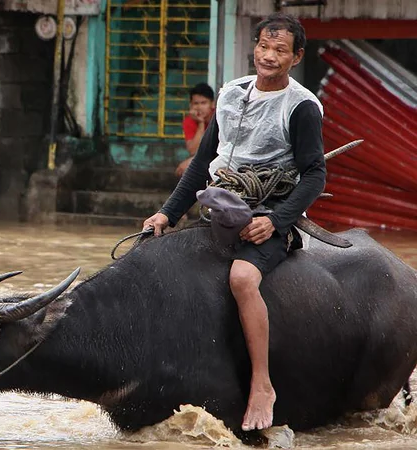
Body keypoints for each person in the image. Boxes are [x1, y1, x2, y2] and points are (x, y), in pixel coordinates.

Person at [142, 13, 326, 431]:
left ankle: (262, 384)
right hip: (221, 207)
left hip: (269, 212)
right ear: (255, 47)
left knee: (243, 278)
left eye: (280, 50)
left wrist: (277, 221)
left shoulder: (301, 107)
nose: (269, 56)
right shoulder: (230, 94)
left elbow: (315, 174)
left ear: (296, 57)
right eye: (264, 46)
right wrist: (167, 213)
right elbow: (204, 163)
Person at [176, 83, 216, 177]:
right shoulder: (189, 121)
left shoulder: (219, 117)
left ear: (212, 104)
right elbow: (193, 150)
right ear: (191, 105)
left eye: (203, 103)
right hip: (204, 158)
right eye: (196, 103)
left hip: (222, 157)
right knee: (184, 169)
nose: (199, 107)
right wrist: (201, 124)